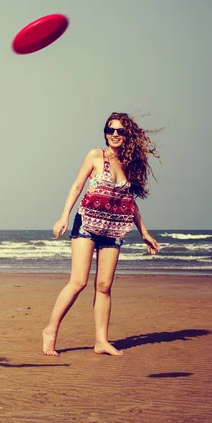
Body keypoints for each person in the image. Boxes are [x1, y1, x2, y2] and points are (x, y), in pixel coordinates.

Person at [42, 112, 160, 357]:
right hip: (87, 223)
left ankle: (101, 341)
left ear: (128, 135)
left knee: (105, 286)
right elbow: (77, 185)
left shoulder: (129, 164)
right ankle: (50, 330)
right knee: (79, 282)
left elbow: (130, 202)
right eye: (110, 130)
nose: (114, 134)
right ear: (105, 133)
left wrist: (144, 233)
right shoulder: (96, 155)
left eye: (119, 131)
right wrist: (64, 216)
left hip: (114, 227)